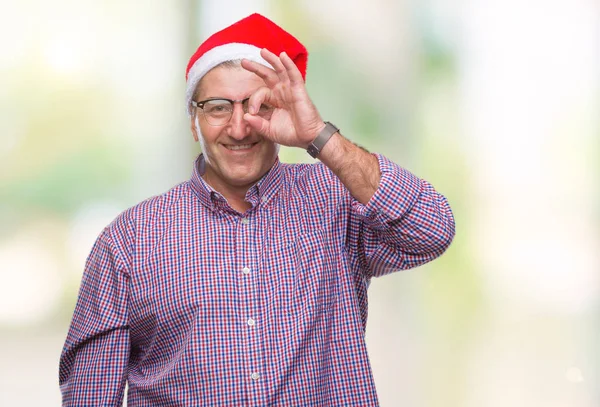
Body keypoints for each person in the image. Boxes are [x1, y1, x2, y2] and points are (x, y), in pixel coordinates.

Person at [59, 13, 455, 407]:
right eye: (217, 107)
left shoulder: (336, 200)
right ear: (194, 122)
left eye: (257, 106)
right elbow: (90, 396)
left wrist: (318, 135)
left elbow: (432, 230)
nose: (239, 126)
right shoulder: (128, 241)